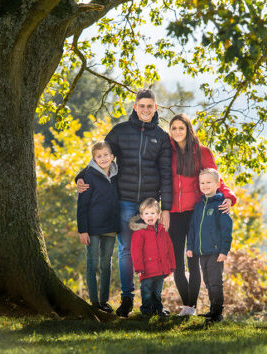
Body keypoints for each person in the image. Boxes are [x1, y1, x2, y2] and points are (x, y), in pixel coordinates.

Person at [76, 88, 172, 317]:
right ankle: (127, 299)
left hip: (150, 205)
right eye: (142, 106)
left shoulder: (161, 137)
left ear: (155, 108)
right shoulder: (119, 131)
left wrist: (165, 208)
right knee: (126, 251)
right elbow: (100, 158)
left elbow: (166, 173)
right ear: (135, 107)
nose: (146, 109)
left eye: (150, 106)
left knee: (153, 252)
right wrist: (80, 176)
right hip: (125, 201)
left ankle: (151, 301)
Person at [168, 114, 236, 316]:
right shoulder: (167, 153)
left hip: (197, 212)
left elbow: (216, 180)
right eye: (174, 128)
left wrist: (230, 197)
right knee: (177, 265)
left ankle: (192, 307)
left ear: (188, 130)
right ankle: (187, 305)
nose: (178, 132)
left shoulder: (202, 152)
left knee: (194, 262)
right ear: (170, 131)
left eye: (182, 128)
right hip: (174, 213)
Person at [76, 141, 119, 313]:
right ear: (93, 158)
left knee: (106, 264)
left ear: (112, 157)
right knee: (92, 264)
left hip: (110, 226)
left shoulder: (116, 173)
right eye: (98, 156)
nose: (103, 158)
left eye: (105, 155)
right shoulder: (87, 176)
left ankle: (104, 300)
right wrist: (82, 230)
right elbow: (82, 205)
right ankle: (94, 302)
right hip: (92, 228)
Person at [187, 168, 233, 323]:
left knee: (215, 282)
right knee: (207, 281)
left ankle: (217, 314)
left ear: (217, 184)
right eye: (202, 182)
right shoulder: (199, 206)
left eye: (209, 182)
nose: (205, 185)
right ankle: (212, 310)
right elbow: (193, 228)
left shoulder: (221, 205)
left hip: (215, 251)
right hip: (202, 251)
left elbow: (227, 229)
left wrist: (224, 250)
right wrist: (190, 247)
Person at [129, 198, 176, 316]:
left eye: (153, 213)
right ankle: (146, 310)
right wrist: (138, 268)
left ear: (158, 215)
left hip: (160, 269)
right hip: (146, 270)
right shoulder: (139, 233)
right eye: (146, 213)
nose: (150, 216)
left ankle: (158, 309)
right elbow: (136, 251)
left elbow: (169, 248)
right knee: (147, 291)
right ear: (142, 216)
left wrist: (171, 265)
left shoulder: (162, 231)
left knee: (157, 291)